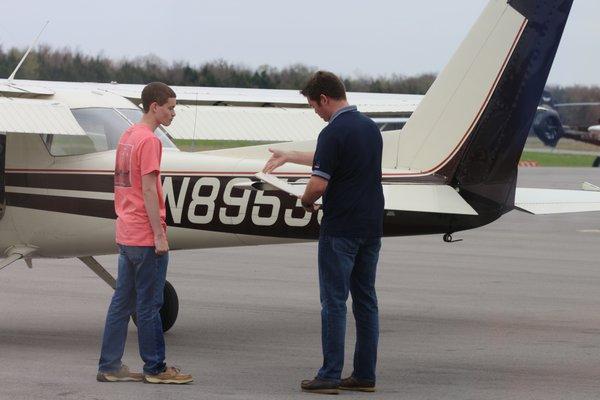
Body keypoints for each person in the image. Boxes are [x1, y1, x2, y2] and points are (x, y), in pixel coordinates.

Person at [263, 71, 384, 394]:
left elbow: (318, 183)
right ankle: (364, 374)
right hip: (371, 226)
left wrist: (303, 201)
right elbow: (335, 158)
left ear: (325, 99)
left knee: (333, 302)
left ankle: (330, 374)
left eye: (314, 106)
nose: (315, 112)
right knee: (366, 301)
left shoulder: (333, 132)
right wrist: (290, 155)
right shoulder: (370, 128)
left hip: (341, 227)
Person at [96, 82, 193, 384]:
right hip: (144, 234)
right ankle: (155, 368)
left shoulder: (127, 136)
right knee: (150, 305)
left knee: (121, 302)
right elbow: (150, 189)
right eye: (171, 107)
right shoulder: (150, 142)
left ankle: (110, 365)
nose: (173, 113)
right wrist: (159, 234)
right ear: (155, 106)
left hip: (125, 231)